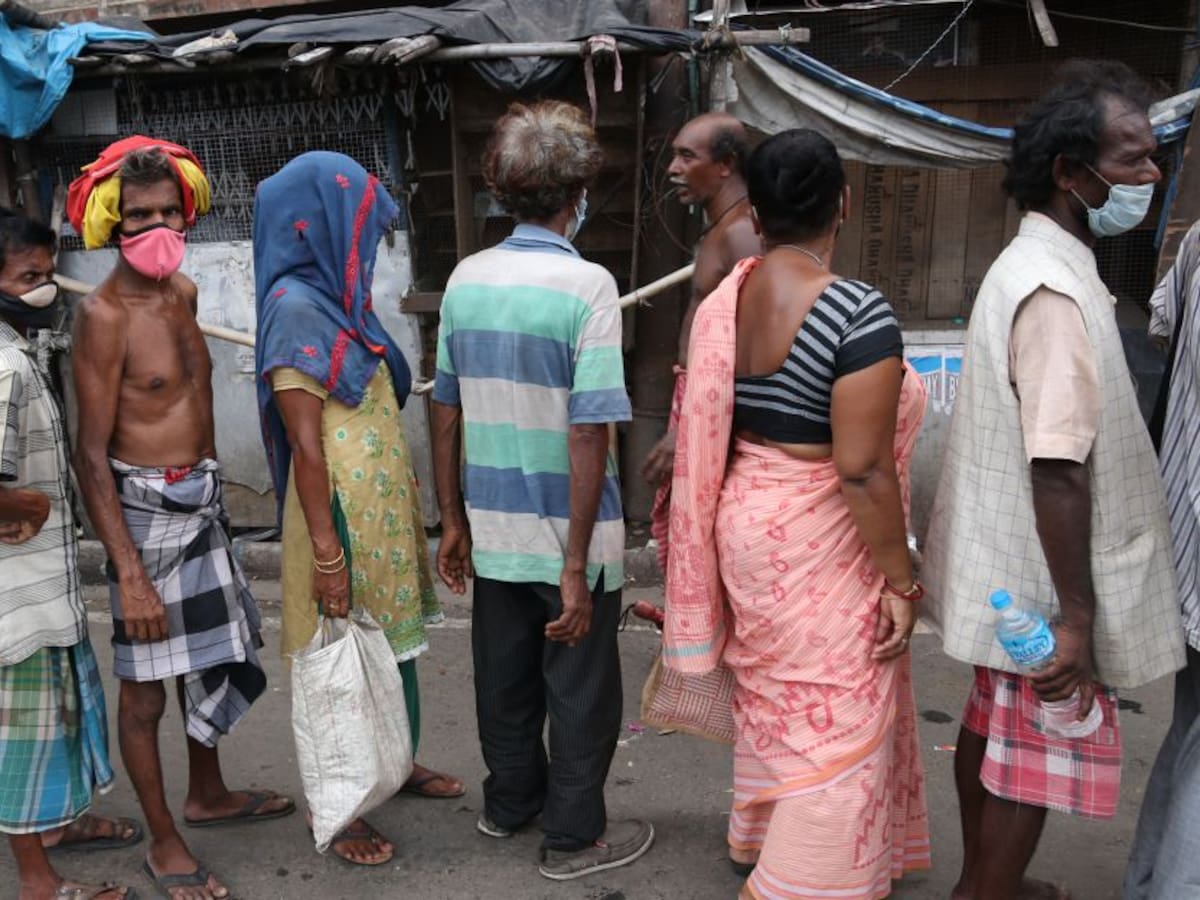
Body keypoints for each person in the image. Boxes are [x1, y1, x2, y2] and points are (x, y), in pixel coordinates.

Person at [921, 61, 1185, 900]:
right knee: (1029, 754)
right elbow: (1060, 468)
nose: (1152, 176)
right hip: (1040, 585)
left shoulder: (1039, 261)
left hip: (1014, 568)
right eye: (1133, 160)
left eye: (1152, 159)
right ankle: (986, 893)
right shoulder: (1054, 292)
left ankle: (990, 883)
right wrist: (1076, 620)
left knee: (993, 725)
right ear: (1072, 174)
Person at [662, 128, 930, 900]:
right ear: (842, 203)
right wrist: (902, 585)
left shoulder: (730, 298)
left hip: (748, 525)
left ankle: (762, 832)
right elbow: (864, 469)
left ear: (759, 205)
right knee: (839, 707)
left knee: (780, 694)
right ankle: (804, 881)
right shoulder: (854, 312)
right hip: (821, 536)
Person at [431, 100, 654, 881]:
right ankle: (572, 836)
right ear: (575, 194)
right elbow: (590, 429)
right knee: (581, 690)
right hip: (571, 538)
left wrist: (450, 519)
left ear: (501, 188)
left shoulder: (464, 278)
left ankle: (509, 804)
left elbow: (446, 401)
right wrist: (574, 569)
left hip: (491, 529)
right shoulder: (588, 285)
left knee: (506, 679)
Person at [68, 138, 294, 900]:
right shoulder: (102, 317)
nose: (157, 224)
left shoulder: (183, 292)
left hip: (200, 502)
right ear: (111, 221)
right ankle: (164, 840)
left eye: (169, 210)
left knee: (208, 663)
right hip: (144, 516)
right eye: (139, 215)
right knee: (144, 692)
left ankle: (207, 795)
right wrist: (126, 571)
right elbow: (90, 455)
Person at [253, 150, 464, 867]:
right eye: (361, 229)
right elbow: (307, 450)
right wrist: (328, 555)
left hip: (377, 514)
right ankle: (340, 807)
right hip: (336, 518)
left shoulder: (342, 308)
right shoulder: (292, 313)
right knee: (337, 659)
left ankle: (395, 763)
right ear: (320, 229)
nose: (370, 245)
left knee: (389, 646)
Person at [0, 210, 142, 900]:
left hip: (40, 590)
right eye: (28, 277)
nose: (44, 289)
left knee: (49, 725)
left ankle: (57, 829)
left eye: (46, 273)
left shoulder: (15, 350)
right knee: (21, 742)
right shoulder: (1, 366)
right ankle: (37, 882)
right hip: (15, 606)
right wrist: (23, 505)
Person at [642, 113, 761, 571]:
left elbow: (747, 349)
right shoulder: (721, 228)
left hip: (718, 408)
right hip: (697, 399)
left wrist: (690, 427)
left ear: (726, 164)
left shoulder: (744, 233)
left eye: (687, 156)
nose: (673, 168)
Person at [1123, 220, 1200, 898]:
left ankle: (1147, 881)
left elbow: (1164, 332)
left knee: (1188, 733)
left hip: (1188, 531)